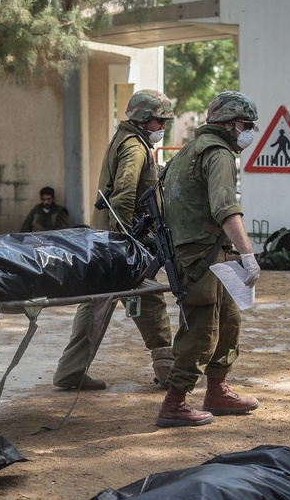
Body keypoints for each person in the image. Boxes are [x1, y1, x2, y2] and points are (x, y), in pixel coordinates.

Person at [52, 90, 175, 391]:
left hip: (106, 241)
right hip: (120, 244)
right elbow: (123, 194)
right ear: (146, 119)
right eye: (160, 121)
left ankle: (70, 372)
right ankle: (168, 371)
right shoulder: (135, 147)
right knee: (152, 301)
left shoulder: (125, 138)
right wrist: (127, 245)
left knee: (96, 304)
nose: (163, 127)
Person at [155, 90, 263, 427]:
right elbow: (225, 209)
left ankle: (217, 390)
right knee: (202, 330)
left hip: (205, 252)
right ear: (230, 124)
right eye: (247, 125)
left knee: (229, 321)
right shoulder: (217, 154)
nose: (249, 132)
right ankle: (174, 403)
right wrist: (248, 255)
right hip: (199, 257)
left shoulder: (187, 151)